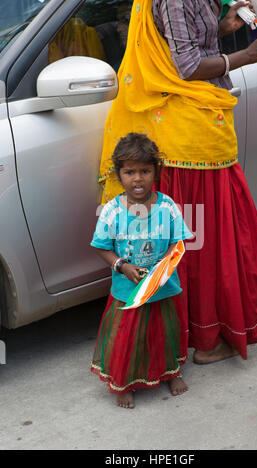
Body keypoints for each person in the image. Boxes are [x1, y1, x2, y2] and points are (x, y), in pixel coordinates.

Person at [98, 0, 257, 363]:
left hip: (201, 125)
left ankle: (204, 333)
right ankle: (207, 338)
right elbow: (187, 66)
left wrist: (223, 28)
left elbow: (185, 45)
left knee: (207, 239)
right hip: (189, 133)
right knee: (202, 241)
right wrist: (247, 54)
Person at [90, 133, 193, 409]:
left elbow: (178, 243)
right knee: (128, 337)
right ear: (118, 174)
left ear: (156, 172)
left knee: (164, 332)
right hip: (128, 291)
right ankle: (124, 383)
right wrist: (121, 266)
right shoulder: (112, 211)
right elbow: (101, 247)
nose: (138, 178)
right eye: (130, 172)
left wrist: (164, 268)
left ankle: (170, 372)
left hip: (162, 287)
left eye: (145, 171)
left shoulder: (167, 206)